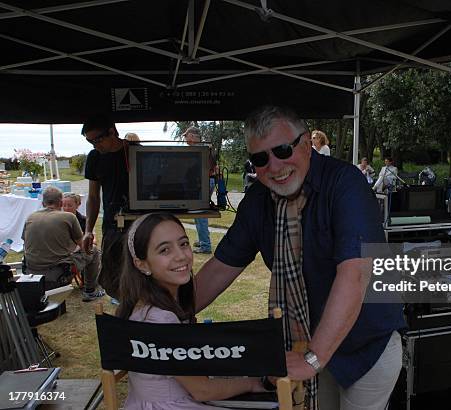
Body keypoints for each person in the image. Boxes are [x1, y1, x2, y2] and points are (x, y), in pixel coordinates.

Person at [194, 106, 405, 410]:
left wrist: (313, 357)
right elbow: (220, 268)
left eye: (282, 150)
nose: (274, 166)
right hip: (307, 346)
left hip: (366, 347)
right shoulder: (257, 201)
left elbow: (355, 275)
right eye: (260, 158)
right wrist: (166, 314)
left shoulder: (345, 183)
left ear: (306, 144)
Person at [116, 213, 270, 409]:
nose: (181, 256)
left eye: (184, 244)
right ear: (142, 264)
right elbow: (202, 390)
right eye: (164, 250)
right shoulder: (159, 320)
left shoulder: (144, 305)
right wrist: (254, 383)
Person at [22, 186, 105, 301]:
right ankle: (90, 290)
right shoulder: (68, 217)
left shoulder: (31, 217)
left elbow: (25, 242)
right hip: (58, 273)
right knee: (94, 251)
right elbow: (84, 245)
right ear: (61, 203)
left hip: (31, 271)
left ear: (42, 203)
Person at [82, 114, 132, 299]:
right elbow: (93, 197)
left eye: (98, 140)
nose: (95, 145)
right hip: (112, 226)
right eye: (90, 142)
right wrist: (88, 230)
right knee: (113, 277)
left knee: (141, 275)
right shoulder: (95, 157)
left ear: (112, 131)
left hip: (140, 224)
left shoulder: (135, 152)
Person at [183, 126, 214, 254]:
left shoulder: (200, 150)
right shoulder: (203, 149)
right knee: (197, 214)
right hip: (204, 182)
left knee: (200, 215)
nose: (185, 139)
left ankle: (206, 245)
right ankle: (203, 241)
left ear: (192, 136)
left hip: (203, 183)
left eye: (186, 136)